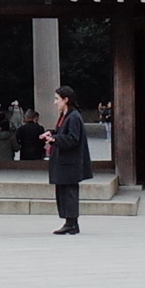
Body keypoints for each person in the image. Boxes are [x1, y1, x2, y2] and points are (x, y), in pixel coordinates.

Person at [46, 84, 91, 234]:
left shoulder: (73, 117)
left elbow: (73, 138)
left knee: (69, 192)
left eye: (57, 99)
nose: (55, 102)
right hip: (64, 162)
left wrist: (55, 139)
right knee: (64, 192)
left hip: (70, 162)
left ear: (66, 99)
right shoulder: (66, 115)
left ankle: (71, 223)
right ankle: (70, 222)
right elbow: (62, 133)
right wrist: (52, 134)